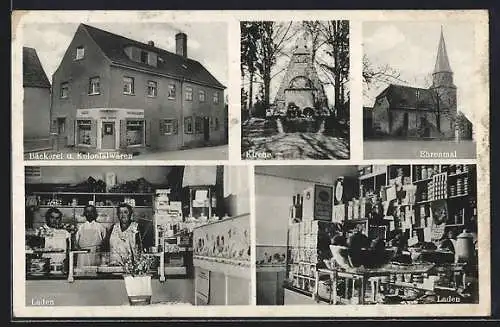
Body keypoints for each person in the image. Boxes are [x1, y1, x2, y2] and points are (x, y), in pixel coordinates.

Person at [39, 208, 71, 272]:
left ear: (60, 219)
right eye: (52, 217)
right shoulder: (42, 231)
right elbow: (38, 251)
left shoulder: (65, 232)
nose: (54, 220)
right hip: (45, 267)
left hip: (61, 267)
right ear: (47, 218)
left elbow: (68, 251)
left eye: (57, 218)